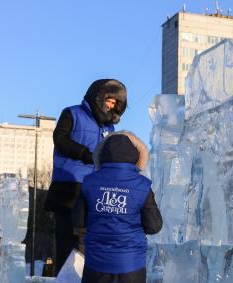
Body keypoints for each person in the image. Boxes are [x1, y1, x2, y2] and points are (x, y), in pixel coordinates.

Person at [44, 79, 127, 275]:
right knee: (66, 239)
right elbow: (60, 139)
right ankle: (65, 278)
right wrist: (85, 154)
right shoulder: (72, 113)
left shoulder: (110, 129)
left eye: (115, 103)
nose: (111, 105)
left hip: (95, 190)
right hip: (69, 186)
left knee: (88, 240)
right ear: (98, 97)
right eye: (109, 100)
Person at [73, 131, 163, 283]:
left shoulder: (89, 182)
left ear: (101, 155)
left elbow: (77, 220)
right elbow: (154, 227)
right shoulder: (142, 186)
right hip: (131, 266)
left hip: (96, 265)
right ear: (136, 156)